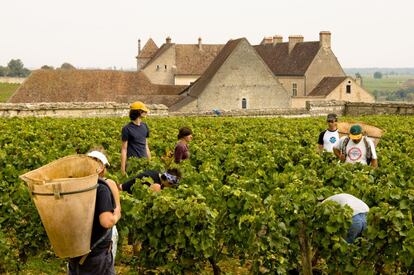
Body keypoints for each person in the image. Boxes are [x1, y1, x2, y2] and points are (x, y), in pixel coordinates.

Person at [68, 151, 121, 275]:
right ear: (102, 169)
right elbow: (106, 221)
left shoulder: (73, 186)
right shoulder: (101, 188)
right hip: (96, 256)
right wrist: (116, 215)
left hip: (76, 251)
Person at [121, 101, 151, 176]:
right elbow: (124, 149)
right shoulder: (126, 128)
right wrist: (123, 169)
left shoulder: (145, 126)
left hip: (144, 163)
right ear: (139, 112)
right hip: (132, 165)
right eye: (144, 111)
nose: (146, 112)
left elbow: (146, 146)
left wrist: (150, 162)